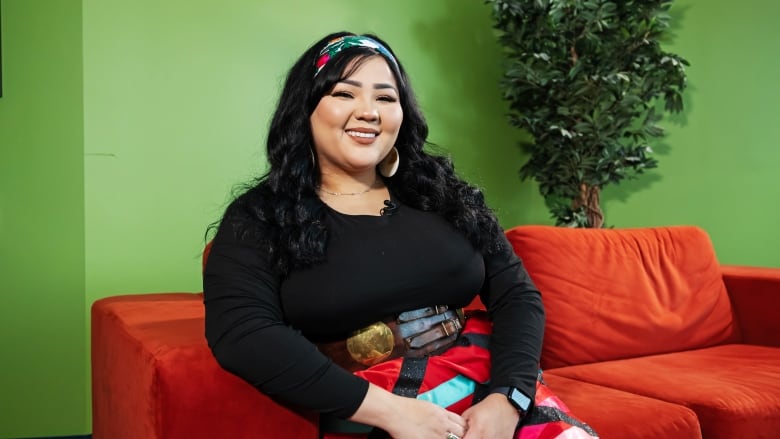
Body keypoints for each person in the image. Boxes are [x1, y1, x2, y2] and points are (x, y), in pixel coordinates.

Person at [203, 31, 546, 439]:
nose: (369, 112)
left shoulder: (448, 194)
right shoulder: (259, 216)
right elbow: (242, 333)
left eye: (386, 98)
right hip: (371, 405)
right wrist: (392, 413)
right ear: (306, 108)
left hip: (487, 382)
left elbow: (517, 295)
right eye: (345, 94)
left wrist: (508, 399)